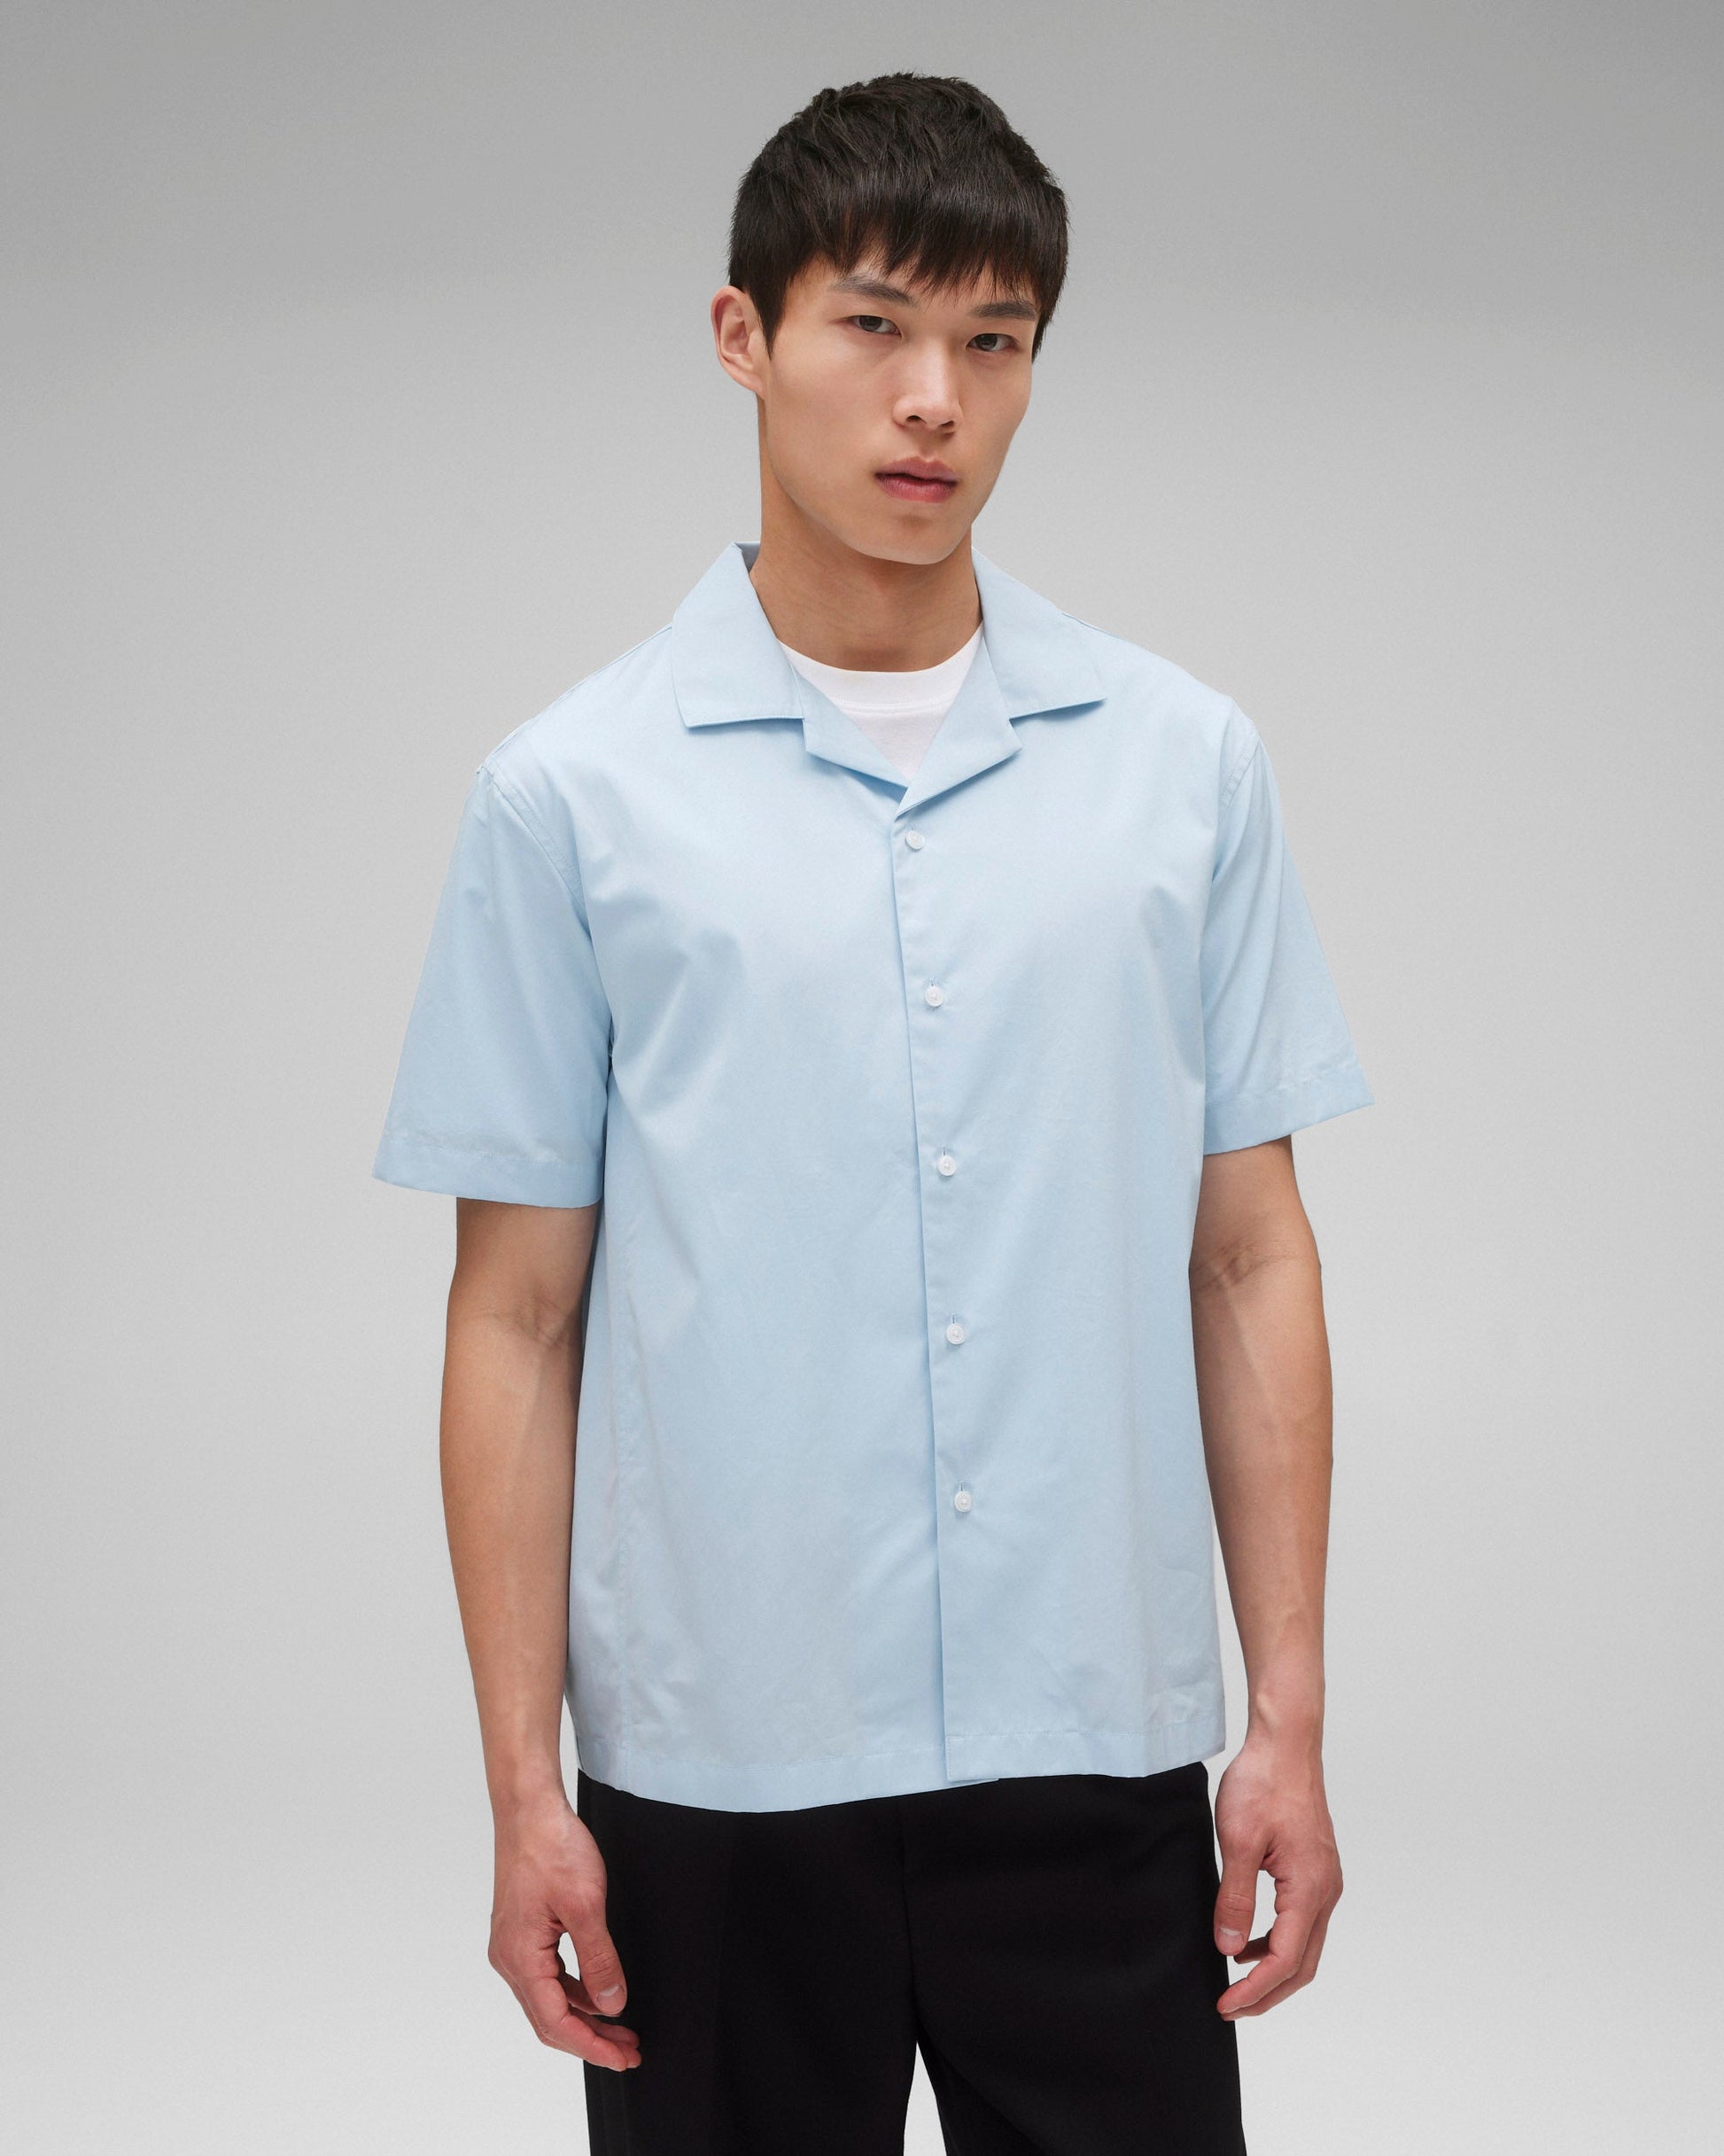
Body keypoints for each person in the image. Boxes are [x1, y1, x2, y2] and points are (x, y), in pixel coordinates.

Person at [373, 70, 1372, 2156]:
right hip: (716, 1776)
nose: (935, 399)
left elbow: (1247, 1254)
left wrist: (1282, 1718)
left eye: (994, 341)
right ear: (742, 335)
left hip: (1093, 1747)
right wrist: (523, 1785)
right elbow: (516, 1317)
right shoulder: (573, 794)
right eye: (876, 325)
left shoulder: (1181, 766)